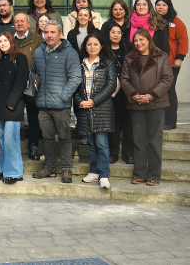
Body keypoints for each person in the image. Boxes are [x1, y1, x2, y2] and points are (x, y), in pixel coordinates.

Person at [31, 20, 82, 183]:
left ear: (60, 34)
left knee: (65, 138)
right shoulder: (39, 52)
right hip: (43, 105)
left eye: (53, 32)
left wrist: (63, 97)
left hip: (61, 105)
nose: (49, 35)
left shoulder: (70, 53)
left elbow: (75, 78)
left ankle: (66, 169)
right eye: (46, 32)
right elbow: (33, 74)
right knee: (47, 138)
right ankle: (50, 168)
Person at [121, 29, 173, 186]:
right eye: (135, 40)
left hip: (155, 104)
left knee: (155, 141)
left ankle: (154, 175)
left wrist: (152, 95)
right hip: (136, 104)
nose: (138, 43)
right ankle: (139, 173)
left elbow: (167, 78)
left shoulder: (161, 56)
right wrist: (133, 94)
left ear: (149, 40)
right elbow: (124, 79)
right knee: (139, 141)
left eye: (141, 40)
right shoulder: (129, 58)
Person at [74, 32, 118, 190]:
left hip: (102, 109)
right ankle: (94, 171)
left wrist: (94, 101)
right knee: (91, 144)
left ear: (101, 46)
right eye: (89, 44)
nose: (92, 47)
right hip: (85, 109)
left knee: (101, 143)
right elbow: (75, 87)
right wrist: (81, 102)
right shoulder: (79, 63)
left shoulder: (108, 63)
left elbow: (111, 85)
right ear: (85, 47)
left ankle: (104, 174)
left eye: (95, 44)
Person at [0, 32, 28, 185]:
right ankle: (2, 168)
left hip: (13, 105)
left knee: (10, 139)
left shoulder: (20, 58)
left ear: (12, 41)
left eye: (5, 40)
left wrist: (11, 103)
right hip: (0, 104)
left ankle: (14, 172)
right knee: (2, 139)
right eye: (0, 41)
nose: (2, 43)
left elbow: (21, 82)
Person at [13, 13, 44, 161]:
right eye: (17, 21)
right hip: (13, 85)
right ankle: (13, 148)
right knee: (14, 116)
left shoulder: (37, 39)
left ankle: (33, 146)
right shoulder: (9, 39)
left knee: (33, 117)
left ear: (28, 24)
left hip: (31, 84)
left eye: (22, 21)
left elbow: (41, 60)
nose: (19, 24)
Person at [155, 0, 187, 130]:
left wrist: (179, 57)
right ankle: (158, 121)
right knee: (157, 91)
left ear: (169, 7)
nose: (161, 7)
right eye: (158, 5)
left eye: (164, 5)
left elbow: (183, 40)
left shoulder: (176, 22)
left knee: (169, 90)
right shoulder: (153, 21)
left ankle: (170, 122)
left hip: (171, 62)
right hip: (155, 62)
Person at [108, 24, 133, 164]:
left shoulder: (128, 51)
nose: (116, 34)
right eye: (113, 32)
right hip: (110, 92)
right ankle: (113, 152)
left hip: (126, 91)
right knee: (113, 123)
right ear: (109, 34)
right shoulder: (104, 51)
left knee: (128, 123)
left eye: (119, 32)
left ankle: (128, 152)